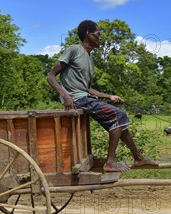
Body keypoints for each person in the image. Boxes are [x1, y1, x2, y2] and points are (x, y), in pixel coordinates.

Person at [47, 20, 157, 172]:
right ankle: (110, 162)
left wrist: (109, 96)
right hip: (77, 100)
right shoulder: (73, 50)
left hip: (85, 97)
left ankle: (139, 158)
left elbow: (88, 89)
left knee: (120, 124)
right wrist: (65, 95)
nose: (100, 38)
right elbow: (51, 76)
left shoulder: (90, 59)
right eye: (97, 34)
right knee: (120, 116)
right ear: (88, 34)